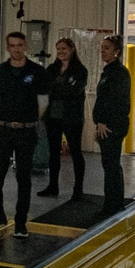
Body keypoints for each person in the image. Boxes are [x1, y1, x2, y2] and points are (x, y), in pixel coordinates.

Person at [0, 31, 48, 237]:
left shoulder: (37, 72)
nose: (16, 49)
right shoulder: (0, 71)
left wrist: (30, 120)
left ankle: (21, 223)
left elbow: (43, 101)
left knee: (24, 177)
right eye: (12, 45)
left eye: (20, 45)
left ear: (25, 46)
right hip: (4, 130)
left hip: (26, 131)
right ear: (7, 48)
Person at [39, 37, 89, 199]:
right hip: (53, 117)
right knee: (54, 153)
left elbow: (73, 92)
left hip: (72, 118)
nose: (61, 52)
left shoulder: (80, 71)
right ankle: (53, 186)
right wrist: (60, 89)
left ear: (72, 49)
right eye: (58, 49)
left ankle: (78, 189)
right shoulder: (52, 69)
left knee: (76, 152)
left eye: (64, 49)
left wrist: (55, 89)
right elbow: (45, 89)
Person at [94, 34, 133, 218]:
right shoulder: (108, 71)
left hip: (112, 125)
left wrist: (103, 122)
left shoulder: (119, 73)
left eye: (107, 48)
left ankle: (112, 205)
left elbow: (114, 101)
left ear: (116, 52)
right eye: (102, 47)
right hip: (106, 124)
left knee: (111, 166)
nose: (103, 51)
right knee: (110, 165)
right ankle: (114, 202)